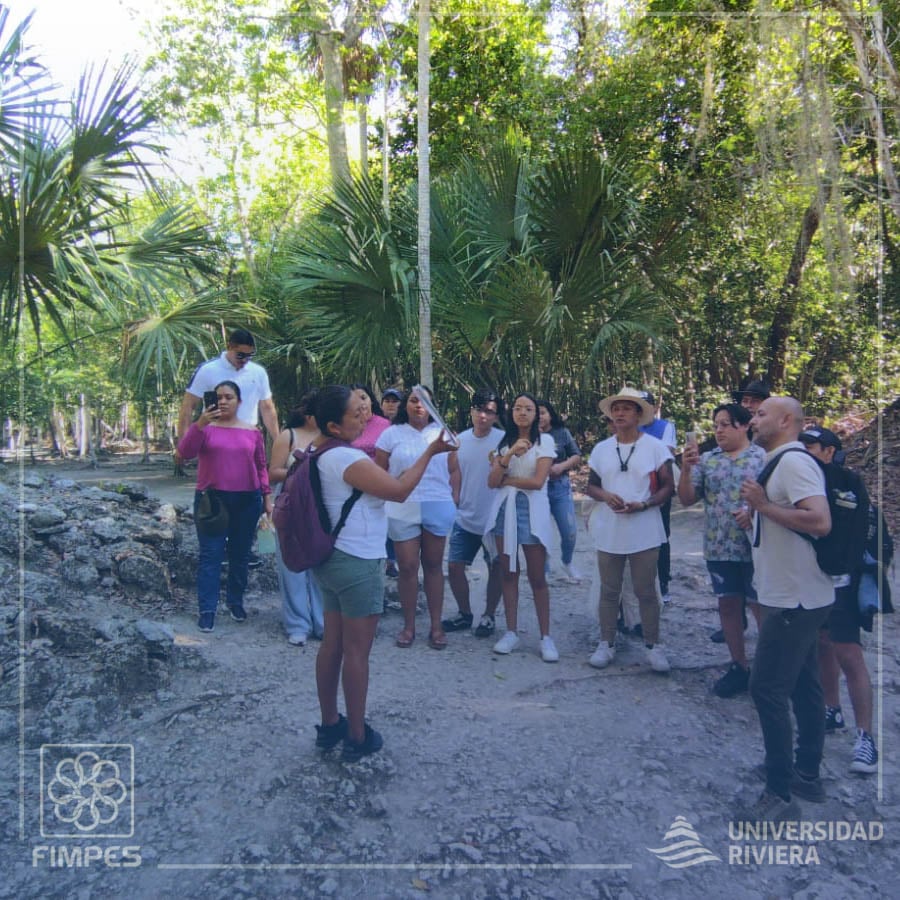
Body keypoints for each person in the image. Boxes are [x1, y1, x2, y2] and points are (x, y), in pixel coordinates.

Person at [311, 386, 456, 760]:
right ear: (333, 424)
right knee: (356, 652)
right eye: (355, 413)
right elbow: (399, 490)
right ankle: (357, 736)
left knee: (333, 644)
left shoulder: (318, 452)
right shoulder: (346, 457)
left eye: (364, 409)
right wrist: (430, 452)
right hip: (357, 560)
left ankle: (330, 725)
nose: (364, 415)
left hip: (331, 558)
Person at [738, 396, 833, 823]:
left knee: (767, 689)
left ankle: (778, 794)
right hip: (800, 594)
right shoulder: (779, 461)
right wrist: (757, 517)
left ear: (786, 420)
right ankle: (807, 774)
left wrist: (762, 508)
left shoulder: (794, 462)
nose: (753, 419)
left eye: (761, 414)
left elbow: (819, 520)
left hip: (792, 598)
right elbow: (786, 517)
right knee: (804, 685)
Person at [799, 427, 878, 775]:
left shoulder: (848, 481)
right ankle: (832, 709)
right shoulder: (796, 479)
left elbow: (858, 531)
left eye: (812, 446)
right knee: (822, 644)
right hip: (806, 581)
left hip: (841, 580)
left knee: (849, 653)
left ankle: (866, 737)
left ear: (829, 451)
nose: (805, 451)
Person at [678, 403, 766, 697]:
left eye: (725, 424)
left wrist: (754, 513)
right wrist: (686, 469)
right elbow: (688, 498)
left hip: (756, 547)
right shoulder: (708, 460)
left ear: (744, 426)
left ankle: (773, 670)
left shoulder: (763, 458)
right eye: (715, 425)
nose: (718, 430)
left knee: (760, 608)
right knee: (728, 605)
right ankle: (739, 666)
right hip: (718, 546)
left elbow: (777, 499)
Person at [585, 387, 674, 673]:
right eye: (616, 408)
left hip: (645, 526)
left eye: (627, 408)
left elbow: (667, 487)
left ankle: (654, 645)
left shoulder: (655, 447)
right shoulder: (601, 448)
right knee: (609, 589)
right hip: (610, 526)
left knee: (646, 589)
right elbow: (591, 485)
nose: (620, 413)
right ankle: (606, 642)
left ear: (639, 414)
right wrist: (605, 496)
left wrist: (645, 504)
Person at [177, 380, 273, 632]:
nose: (222, 401)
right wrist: (199, 424)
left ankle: (235, 601)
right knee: (211, 555)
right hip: (212, 501)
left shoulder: (252, 431)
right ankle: (207, 609)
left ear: (239, 401)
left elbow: (261, 466)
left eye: (228, 397)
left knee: (240, 555)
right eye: (218, 397)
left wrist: (266, 497)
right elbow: (184, 453)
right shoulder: (205, 428)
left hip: (247, 500)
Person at [375, 387, 460, 649]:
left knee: (434, 566)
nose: (419, 405)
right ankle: (409, 626)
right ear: (405, 405)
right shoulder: (390, 435)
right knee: (408, 567)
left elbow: (455, 471)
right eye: (413, 400)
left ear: (432, 406)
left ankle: (436, 626)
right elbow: (380, 471)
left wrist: (454, 500)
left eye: (425, 401)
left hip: (437, 501)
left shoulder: (444, 434)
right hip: (402, 505)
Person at [486, 392, 558, 662]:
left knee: (537, 576)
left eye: (528, 408)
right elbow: (492, 481)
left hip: (532, 511)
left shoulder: (545, 441)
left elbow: (538, 482)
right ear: (511, 412)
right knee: (508, 572)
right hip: (505, 511)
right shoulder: (504, 442)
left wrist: (507, 480)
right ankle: (511, 631)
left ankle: (545, 637)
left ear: (537, 414)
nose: (522, 413)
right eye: (517, 408)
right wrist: (508, 456)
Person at [441, 389, 505, 638]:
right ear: (471, 411)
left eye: (489, 411)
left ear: (496, 415)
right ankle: (464, 613)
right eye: (479, 409)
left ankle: (489, 616)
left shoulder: (504, 441)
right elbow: (454, 475)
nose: (483, 415)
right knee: (455, 567)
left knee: (496, 567)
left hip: (494, 518)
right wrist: (454, 502)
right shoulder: (459, 441)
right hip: (465, 516)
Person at [268, 390, 324, 646]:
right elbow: (273, 473)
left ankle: (323, 622)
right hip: (291, 505)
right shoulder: (287, 435)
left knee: (321, 566)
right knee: (291, 566)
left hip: (322, 508)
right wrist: (299, 468)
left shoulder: (331, 435)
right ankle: (297, 623)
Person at [177, 328, 279, 448]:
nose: (245, 360)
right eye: (240, 355)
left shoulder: (258, 372)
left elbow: (267, 408)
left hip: (248, 437)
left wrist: (278, 440)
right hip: (214, 437)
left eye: (249, 355)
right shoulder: (207, 370)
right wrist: (183, 446)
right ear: (229, 347)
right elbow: (188, 407)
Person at [537, 400, 583, 583]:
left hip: (559, 487)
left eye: (543, 412)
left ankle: (567, 561)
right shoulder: (525, 435)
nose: (539, 417)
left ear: (550, 414)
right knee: (540, 531)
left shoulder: (562, 433)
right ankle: (544, 569)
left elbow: (576, 455)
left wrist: (561, 466)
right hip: (537, 489)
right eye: (536, 413)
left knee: (569, 530)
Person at [640, 390, 676, 602]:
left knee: (662, 535)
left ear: (654, 407)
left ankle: (663, 583)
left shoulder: (665, 426)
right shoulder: (629, 427)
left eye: (647, 405)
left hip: (659, 486)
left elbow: (667, 452)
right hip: (635, 487)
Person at [350, 384, 391, 458]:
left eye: (363, 398)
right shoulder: (345, 428)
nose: (361, 403)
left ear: (371, 400)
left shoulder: (387, 425)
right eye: (354, 400)